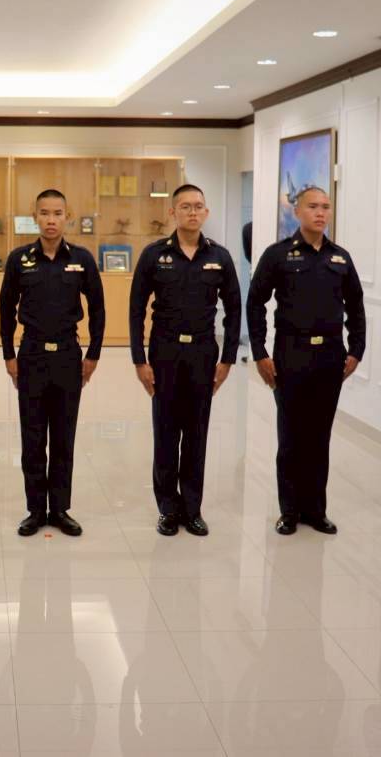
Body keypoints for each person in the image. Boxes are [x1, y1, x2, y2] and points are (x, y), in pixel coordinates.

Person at [246, 186, 365, 536]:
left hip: (329, 356)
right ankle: (289, 511)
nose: (320, 212)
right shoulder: (278, 255)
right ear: (297, 211)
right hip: (291, 355)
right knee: (291, 437)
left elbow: (356, 307)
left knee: (319, 436)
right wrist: (260, 352)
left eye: (325, 207)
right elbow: (255, 303)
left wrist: (356, 350)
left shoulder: (340, 258)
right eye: (313, 206)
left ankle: (315, 510)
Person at [130, 184, 241, 536]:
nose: (193, 212)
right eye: (185, 206)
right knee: (165, 433)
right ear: (173, 213)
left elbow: (234, 310)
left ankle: (192, 508)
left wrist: (227, 360)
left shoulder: (220, 257)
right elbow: (136, 309)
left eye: (198, 206)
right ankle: (167, 508)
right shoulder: (154, 255)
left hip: (202, 354)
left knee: (196, 434)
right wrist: (139, 360)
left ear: (206, 212)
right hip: (165, 353)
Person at [0, 189, 105, 537]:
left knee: (63, 436)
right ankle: (35, 510)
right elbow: (5, 309)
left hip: (67, 356)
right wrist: (8, 355)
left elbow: (98, 308)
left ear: (67, 216)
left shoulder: (82, 259)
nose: (51, 220)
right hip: (31, 355)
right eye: (44, 213)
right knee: (32, 437)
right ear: (35, 216)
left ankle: (59, 509)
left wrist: (93, 354)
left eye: (58, 213)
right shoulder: (19, 259)